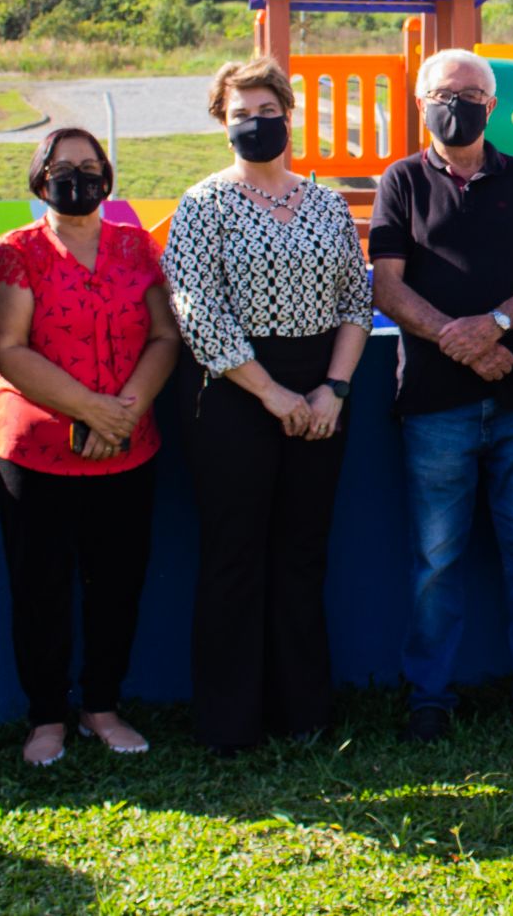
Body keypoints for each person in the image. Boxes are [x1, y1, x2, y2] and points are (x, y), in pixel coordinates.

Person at [162, 59, 373, 754]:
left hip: (321, 392)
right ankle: (230, 723)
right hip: (232, 392)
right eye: (240, 111)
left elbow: (354, 301)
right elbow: (198, 310)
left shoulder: (326, 203)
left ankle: (304, 712)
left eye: (266, 108)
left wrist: (332, 390)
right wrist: (272, 392)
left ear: (289, 112)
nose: (256, 121)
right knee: (235, 553)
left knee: (302, 552)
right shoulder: (203, 205)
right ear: (222, 121)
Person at [369, 48, 513, 742]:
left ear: (491, 104)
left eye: (467, 92)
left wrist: (489, 328)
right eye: (440, 91)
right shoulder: (400, 179)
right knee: (435, 559)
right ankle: (429, 696)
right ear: (420, 100)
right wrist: (457, 340)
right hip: (433, 403)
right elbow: (388, 284)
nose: (453, 102)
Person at [0, 127, 180, 766]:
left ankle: (101, 705)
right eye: (64, 167)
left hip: (128, 444)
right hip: (35, 452)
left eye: (90, 167)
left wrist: (122, 415)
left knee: (117, 581)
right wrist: (90, 410)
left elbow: (165, 336)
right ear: (40, 178)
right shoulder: (17, 251)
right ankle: (45, 717)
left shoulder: (135, 245)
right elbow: (3, 346)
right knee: (39, 586)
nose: (78, 178)